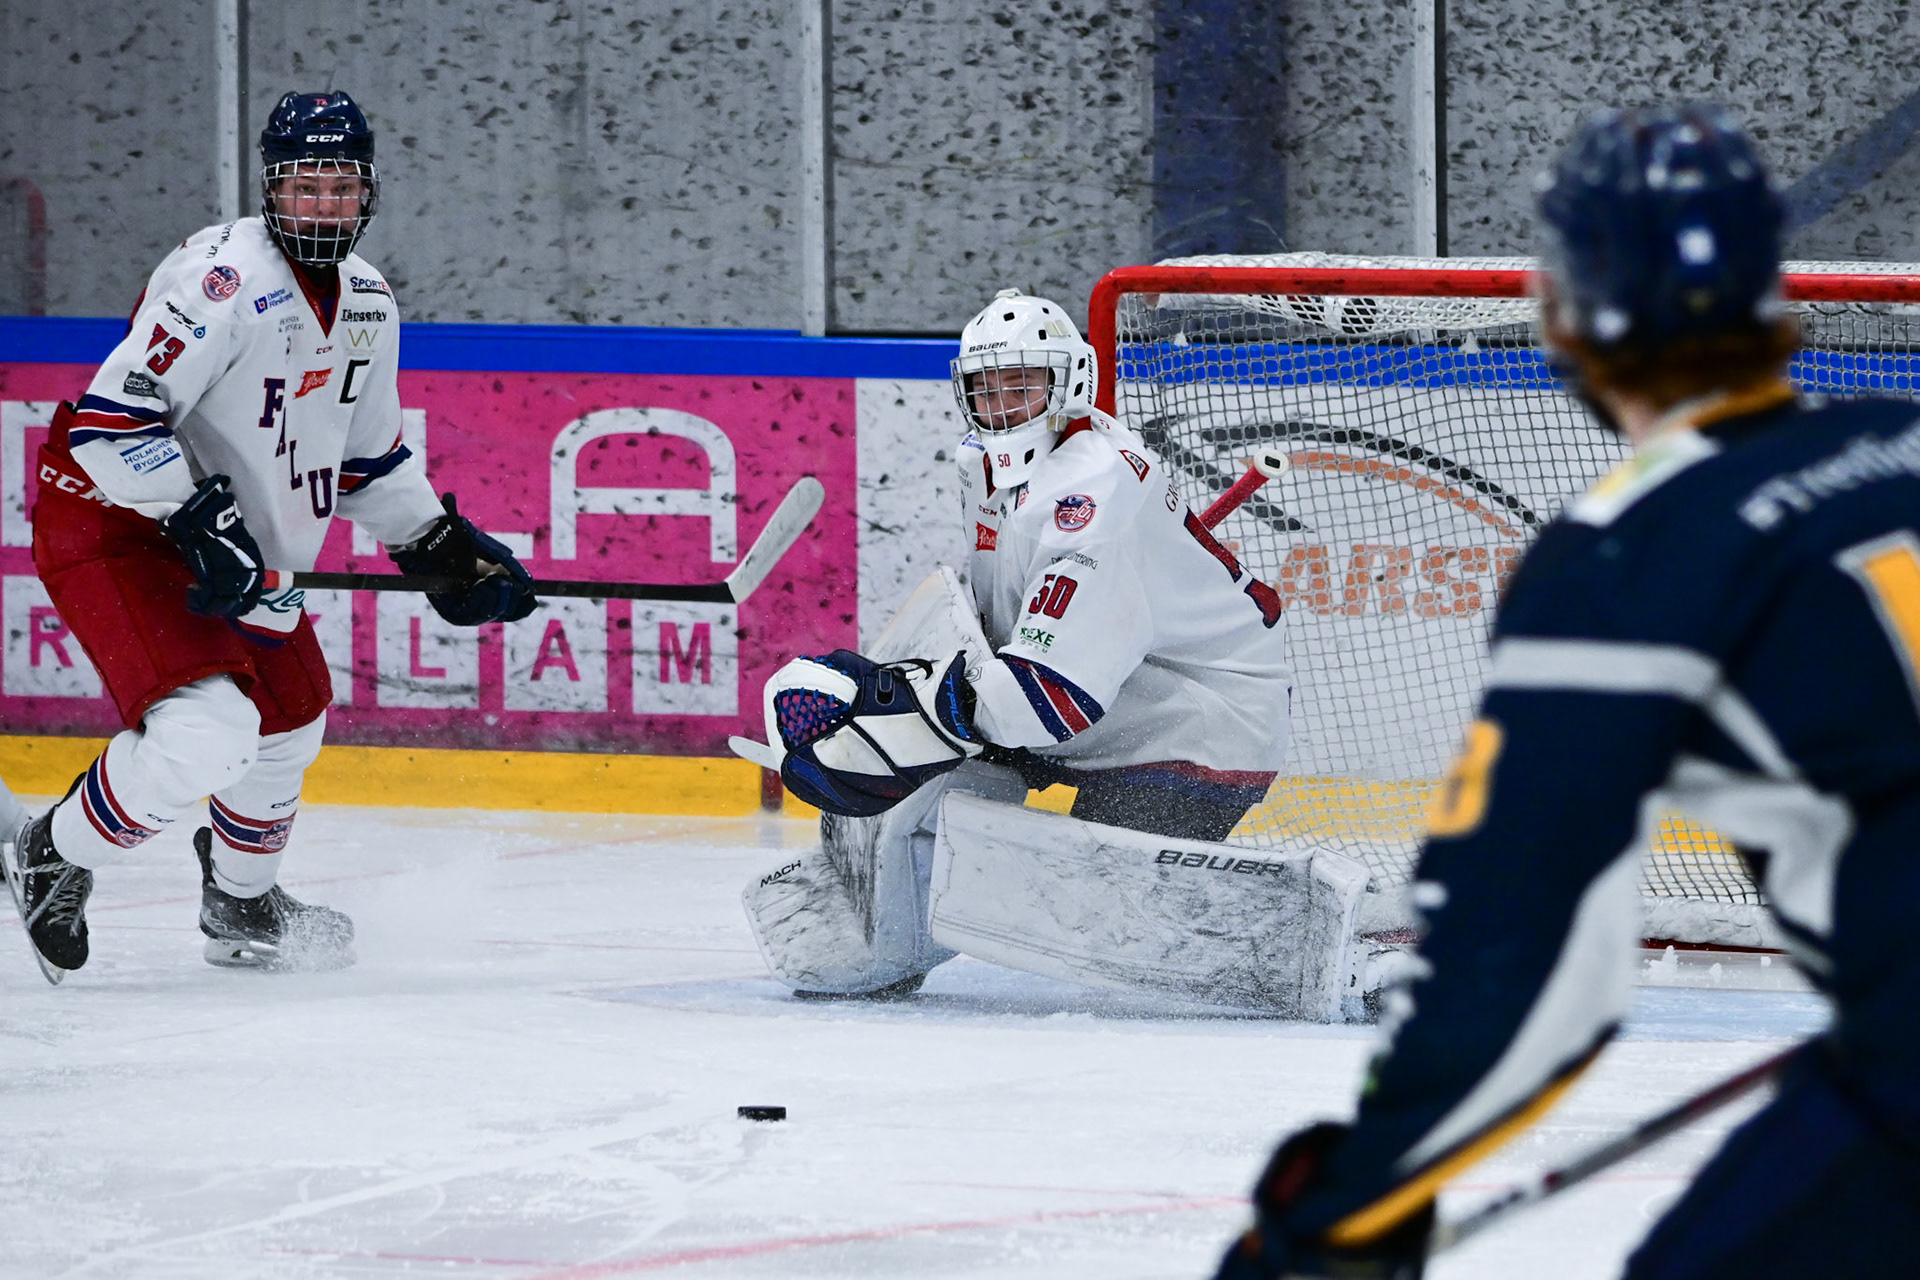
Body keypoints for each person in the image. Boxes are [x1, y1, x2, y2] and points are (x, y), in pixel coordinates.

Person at [1213, 105, 1920, 1279]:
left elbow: (1522, 966)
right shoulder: (1904, 439)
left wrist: (1345, 1202)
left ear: (1568, 313)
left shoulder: (1628, 559)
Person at [1, 91, 535, 982]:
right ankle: (50, 852)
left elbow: (364, 460)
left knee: (291, 717)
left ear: (368, 193)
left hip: (229, 538)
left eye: (341, 188)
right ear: (271, 189)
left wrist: (436, 544)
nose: (323, 206)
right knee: (206, 735)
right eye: (304, 187)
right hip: (119, 521)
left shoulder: (369, 302)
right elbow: (110, 426)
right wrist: (193, 516)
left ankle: (240, 901)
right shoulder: (220, 281)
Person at [736, 289, 1298, 1003]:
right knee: (931, 795)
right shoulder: (983, 463)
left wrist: (908, 710)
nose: (1002, 405)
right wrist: (914, 702)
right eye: (986, 387)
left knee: (1097, 921)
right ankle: (887, 937)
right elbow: (1001, 623)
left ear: (1070, 382)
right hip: (1105, 698)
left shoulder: (1090, 488)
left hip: (1193, 726)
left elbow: (1050, 698)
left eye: (1023, 384)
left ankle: (1340, 944)